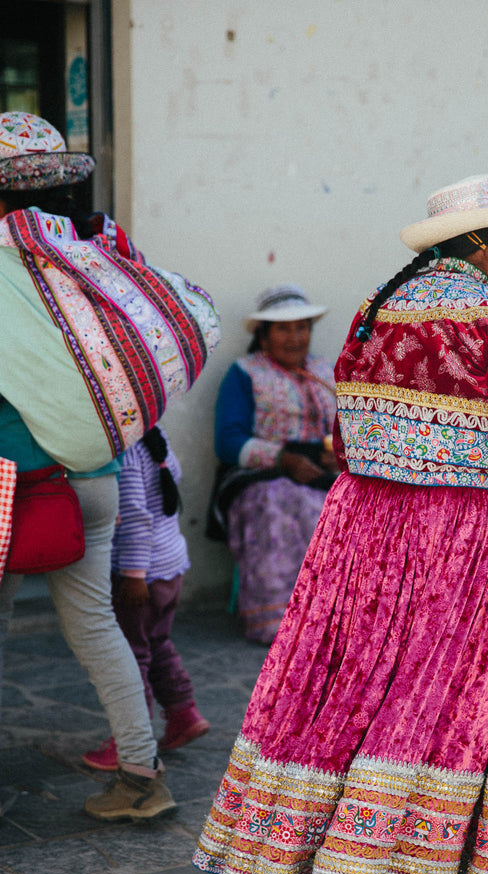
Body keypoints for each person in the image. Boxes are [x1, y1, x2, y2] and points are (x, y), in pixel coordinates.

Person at [194, 168, 488, 874]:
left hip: (363, 528)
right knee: (447, 701)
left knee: (353, 689)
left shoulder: (379, 310)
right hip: (463, 536)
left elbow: (343, 436)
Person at [0, 111, 219, 822]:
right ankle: (141, 778)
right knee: (96, 626)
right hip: (94, 476)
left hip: (13, 481)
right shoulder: (96, 252)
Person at [210, 284, 338, 644]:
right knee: (281, 500)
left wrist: (338, 454)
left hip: (322, 471)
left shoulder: (326, 371)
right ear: (264, 335)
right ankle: (278, 620)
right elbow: (227, 441)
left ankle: (339, 619)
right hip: (259, 474)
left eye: (302, 327)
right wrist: (283, 459)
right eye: (283, 328)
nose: (295, 337)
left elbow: (348, 428)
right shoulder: (245, 373)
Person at [82, 426, 210, 772]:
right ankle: (183, 713)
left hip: (141, 575)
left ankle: (129, 741)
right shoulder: (156, 437)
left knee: (131, 654)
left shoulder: (127, 452)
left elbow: (136, 517)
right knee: (156, 641)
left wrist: (133, 576)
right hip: (169, 567)